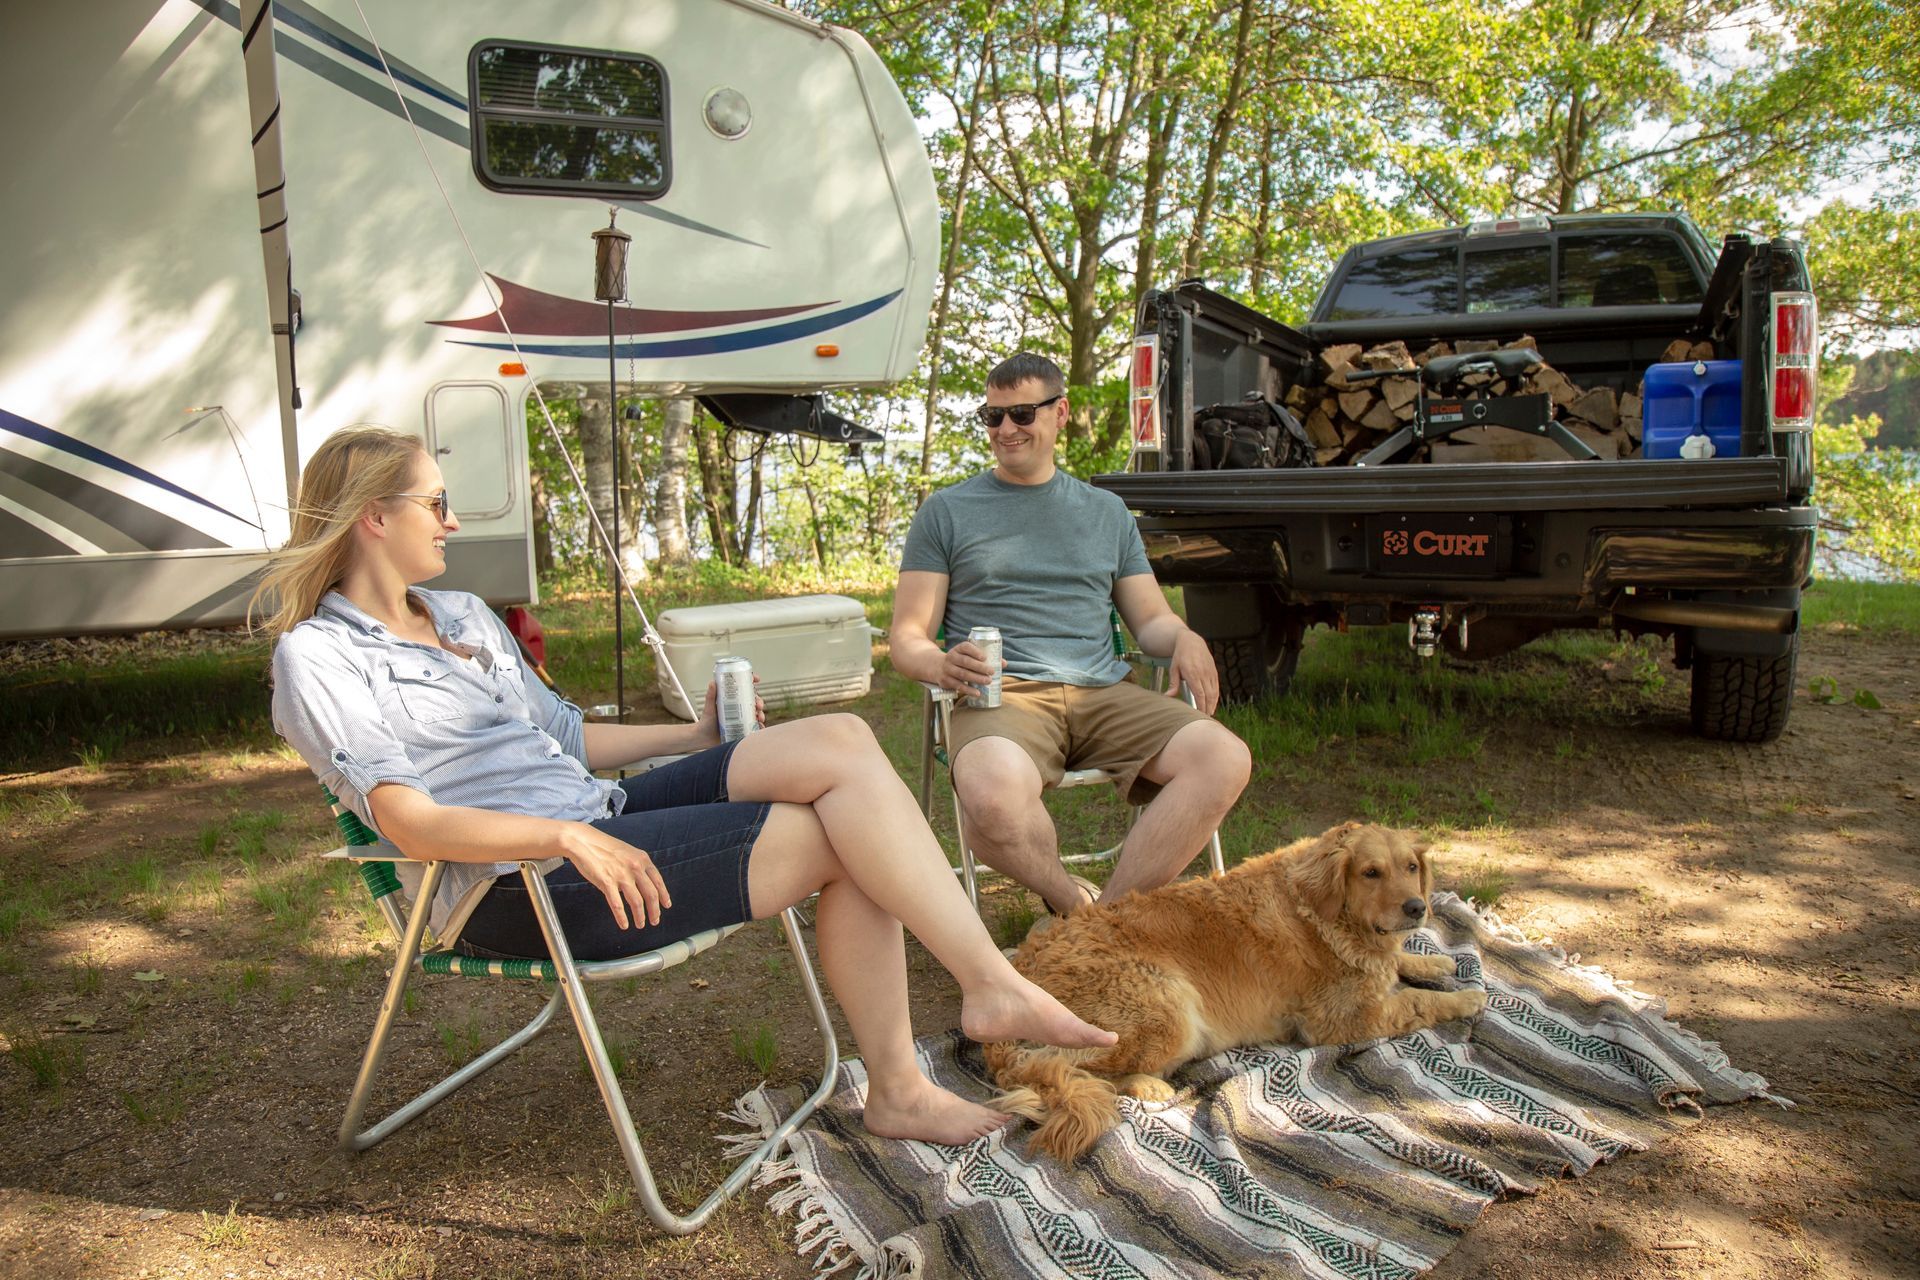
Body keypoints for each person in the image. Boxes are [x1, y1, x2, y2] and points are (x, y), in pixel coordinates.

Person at [256, 425, 1114, 1147]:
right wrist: (559, 837)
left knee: (843, 741)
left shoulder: (463, 615)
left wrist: (694, 738)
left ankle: (983, 987)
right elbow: (409, 822)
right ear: (374, 516)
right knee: (847, 839)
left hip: (593, 818)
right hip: (513, 882)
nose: (451, 521)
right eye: (435, 502)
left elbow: (564, 738)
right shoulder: (319, 657)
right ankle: (912, 1075)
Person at [890, 353, 1252, 921]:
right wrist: (938, 665)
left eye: (1022, 414)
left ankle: (1105, 922)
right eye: (992, 416)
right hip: (1002, 695)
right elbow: (907, 637)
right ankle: (1075, 908)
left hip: (1102, 692)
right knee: (990, 800)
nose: (1005, 429)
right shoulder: (947, 512)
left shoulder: (1106, 513)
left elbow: (1150, 620)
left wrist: (1185, 637)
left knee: (1224, 758)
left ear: (1060, 413)